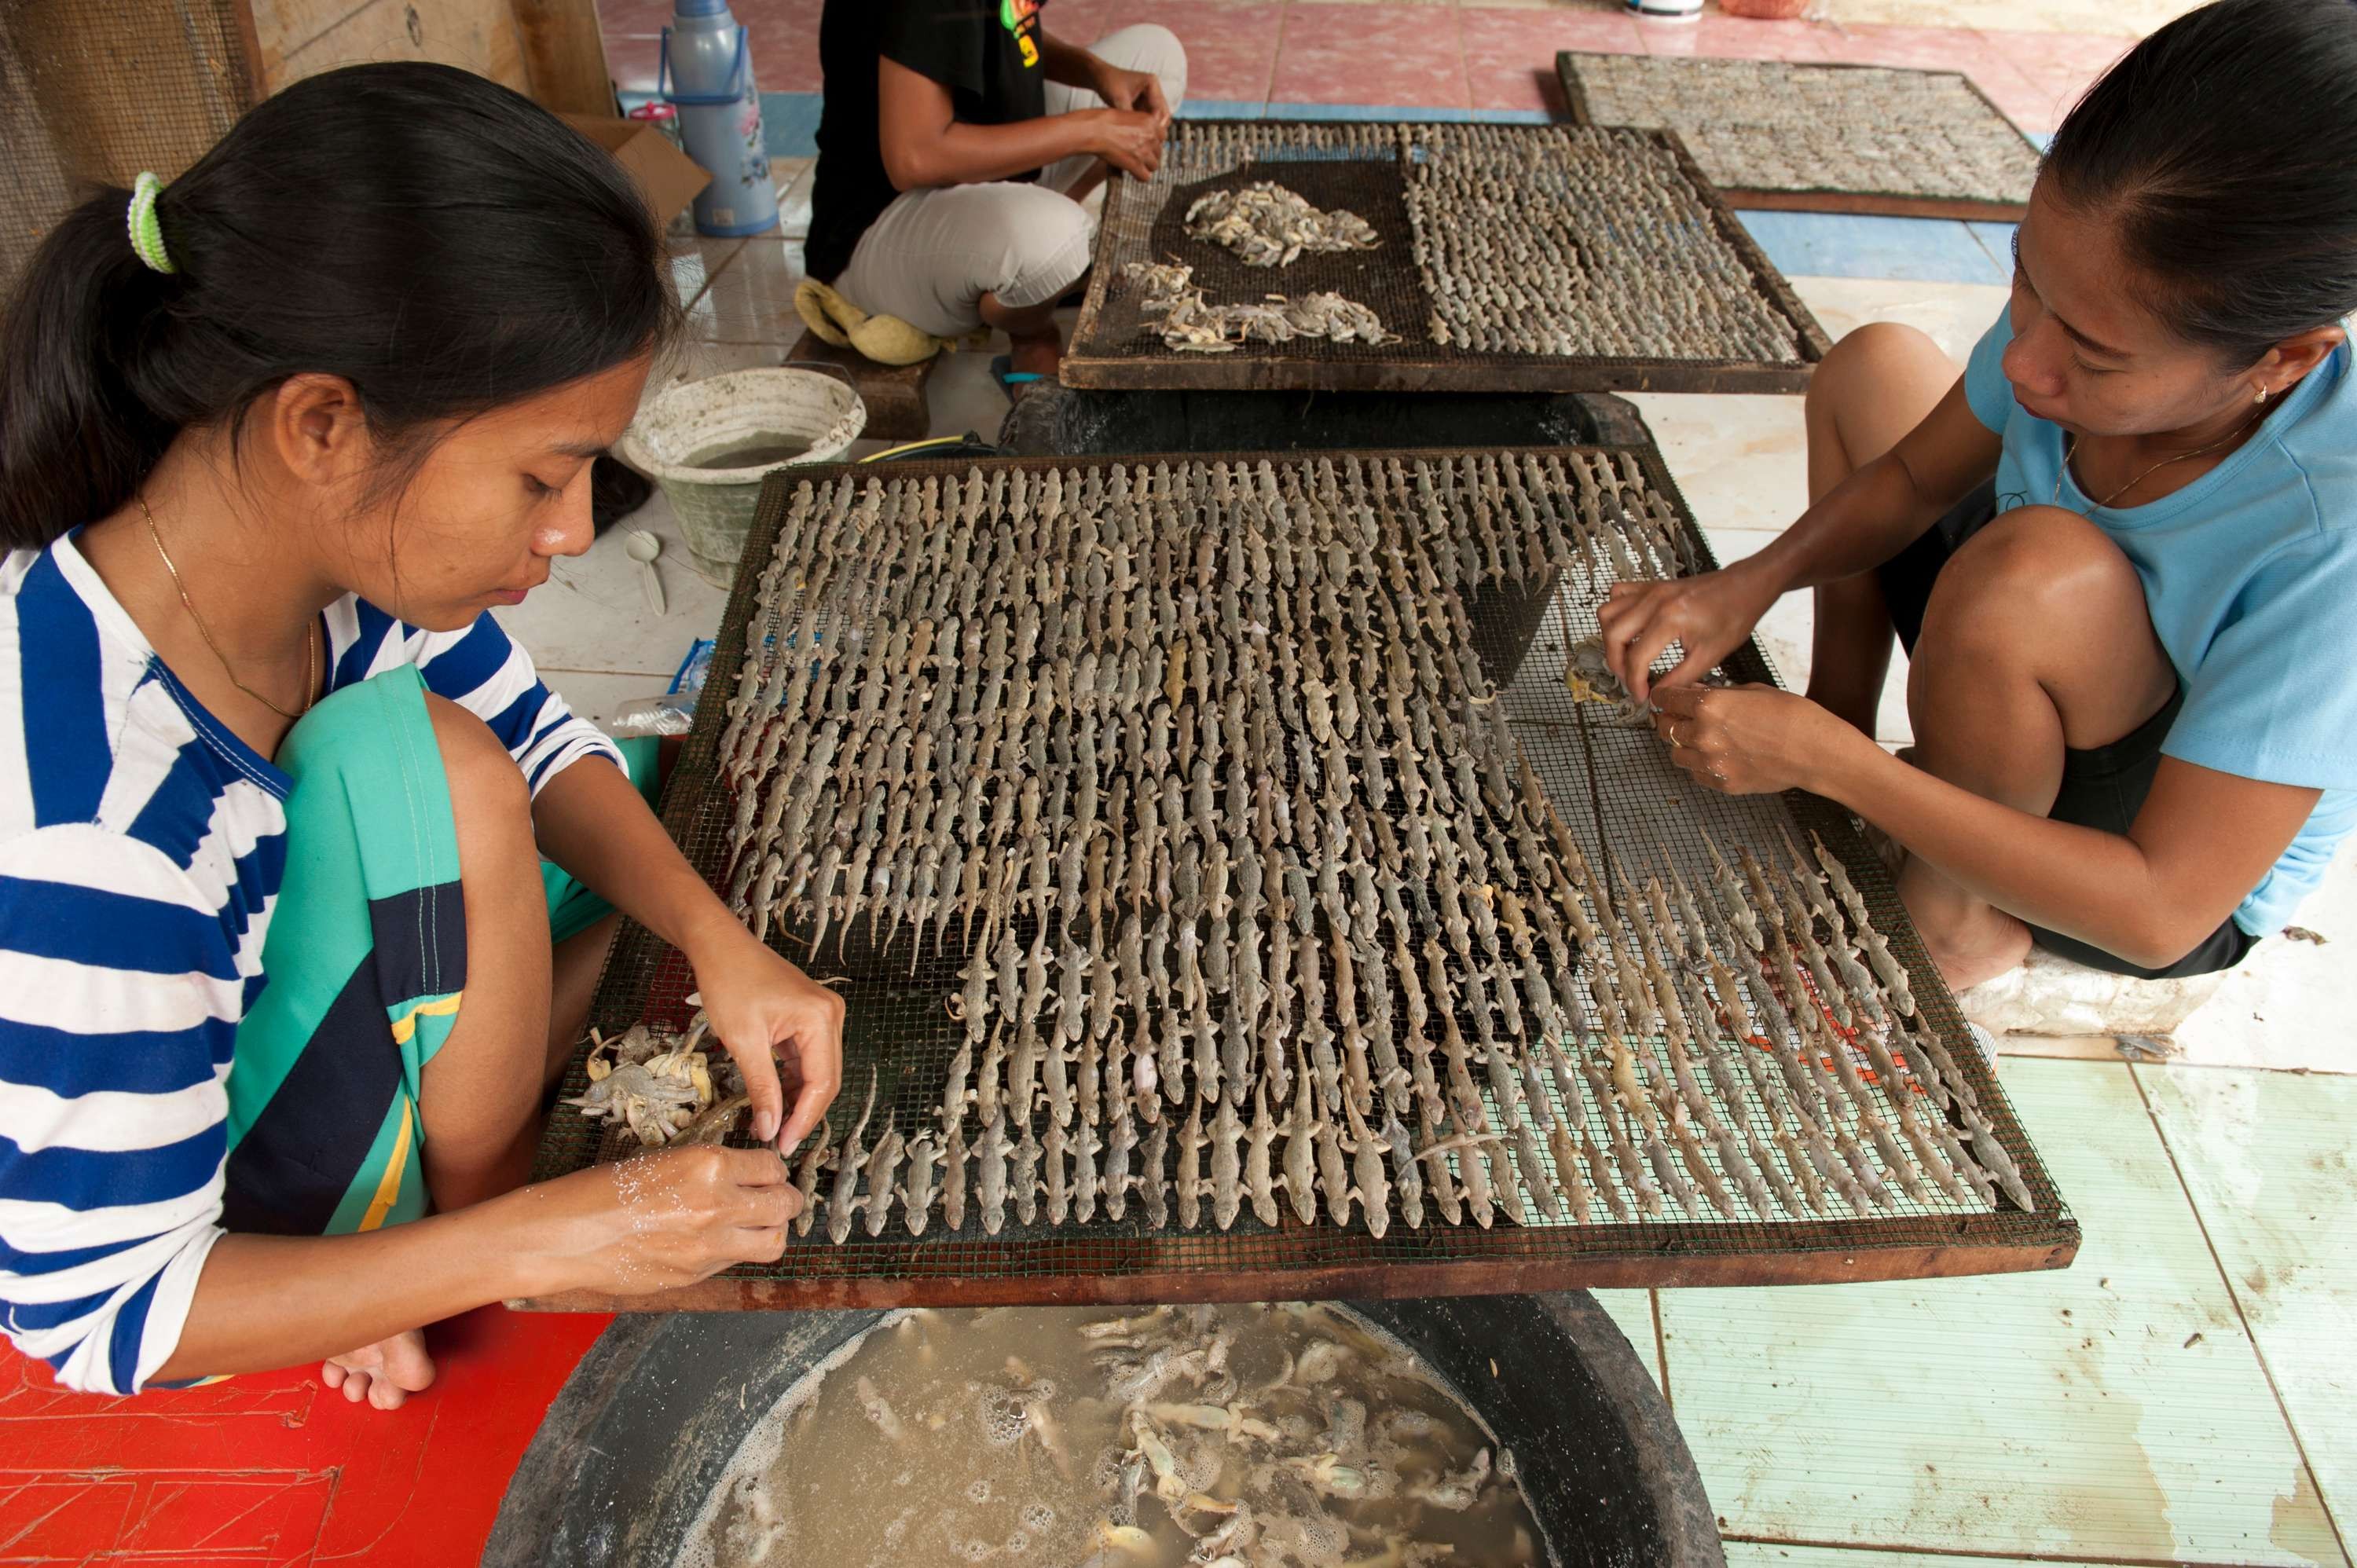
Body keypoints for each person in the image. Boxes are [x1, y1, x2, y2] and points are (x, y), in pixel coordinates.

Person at [0, 64, 845, 1405]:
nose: (572, 530)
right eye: (539, 472)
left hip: (277, 967)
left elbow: (550, 738)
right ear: (323, 425)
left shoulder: (321, 566)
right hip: (212, 1188)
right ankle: (415, 1233)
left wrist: (715, 939)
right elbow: (95, 1315)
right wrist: (550, 1236)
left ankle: (497, 1097)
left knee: (629, 781)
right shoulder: (99, 828)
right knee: (442, 770)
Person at [1598, 0, 2357, 994]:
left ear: (2283, 361)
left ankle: (1957, 922)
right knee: (1874, 370)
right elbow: (1912, 478)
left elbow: (2162, 914)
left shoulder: (2328, 534)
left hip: (2142, 874)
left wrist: (1840, 768)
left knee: (2030, 570)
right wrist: (1750, 583)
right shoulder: (2069, 327)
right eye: (2025, 282)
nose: (2027, 360)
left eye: (2093, 355)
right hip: (2033, 686)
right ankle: (1839, 719)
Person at [805, 0, 1187, 388]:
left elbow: (1000, 29)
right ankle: (1032, 330)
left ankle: (1026, 272)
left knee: (1158, 57)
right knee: (1055, 235)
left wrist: (1094, 72)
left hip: (967, 175)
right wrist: (1090, 130)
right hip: (878, 227)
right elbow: (914, 158)